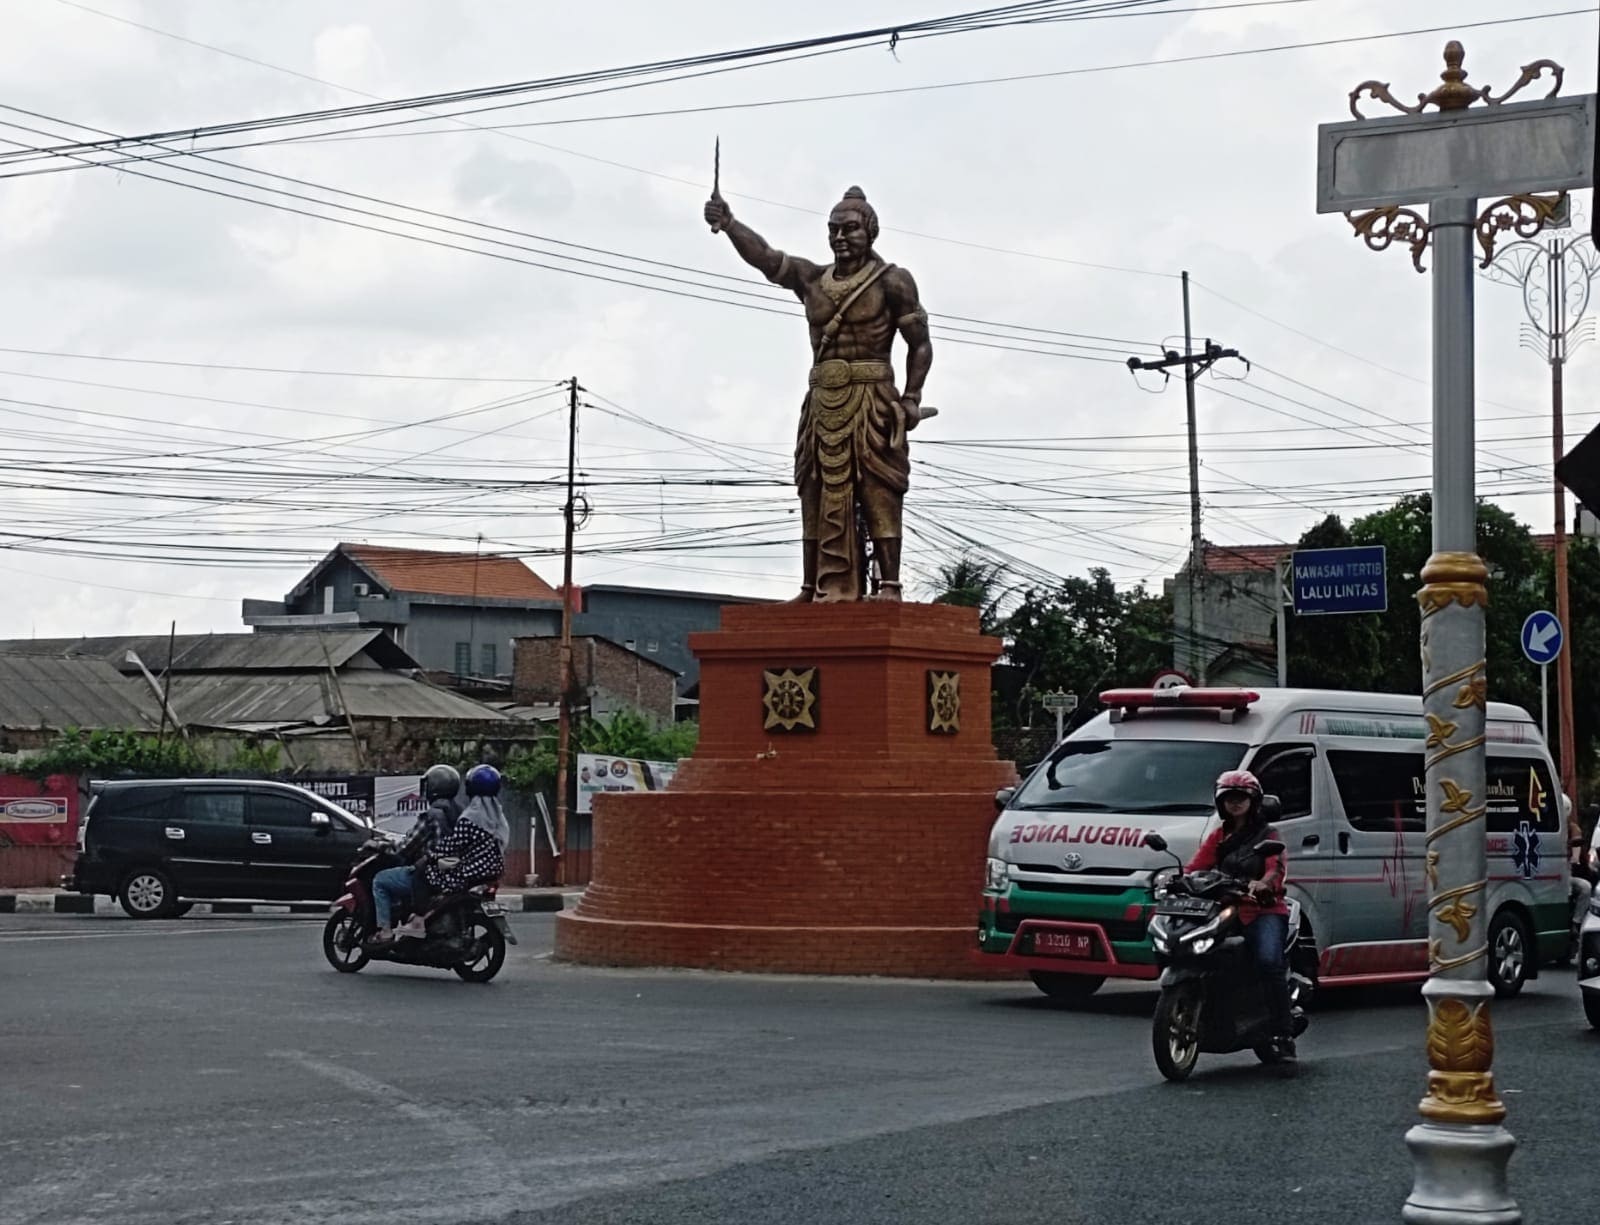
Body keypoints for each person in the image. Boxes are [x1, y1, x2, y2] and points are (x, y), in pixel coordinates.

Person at [704, 184, 932, 602]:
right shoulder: (812, 279)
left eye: (849, 229)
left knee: (878, 487)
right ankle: (812, 586)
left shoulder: (893, 281)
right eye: (833, 230)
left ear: (871, 232)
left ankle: (890, 584)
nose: (840, 237)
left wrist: (911, 398)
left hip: (871, 396)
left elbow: (919, 342)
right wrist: (731, 224)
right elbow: (767, 259)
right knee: (813, 485)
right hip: (821, 400)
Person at [1186, 768, 1295, 1060]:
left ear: (1253, 801)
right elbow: (1196, 867)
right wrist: (1180, 881)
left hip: (1263, 910)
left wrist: (1263, 884)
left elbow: (1276, 868)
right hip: (1224, 908)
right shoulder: (1219, 836)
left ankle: (1283, 1034)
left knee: (1268, 961)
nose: (1235, 803)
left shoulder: (1268, 834)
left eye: (1241, 797)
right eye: (1229, 798)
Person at [370, 764, 463, 944]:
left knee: (380, 880)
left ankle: (385, 931)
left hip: (431, 874)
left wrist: (385, 847)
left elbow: (406, 847)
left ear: (434, 788)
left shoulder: (432, 815)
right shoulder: (461, 813)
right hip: (455, 871)